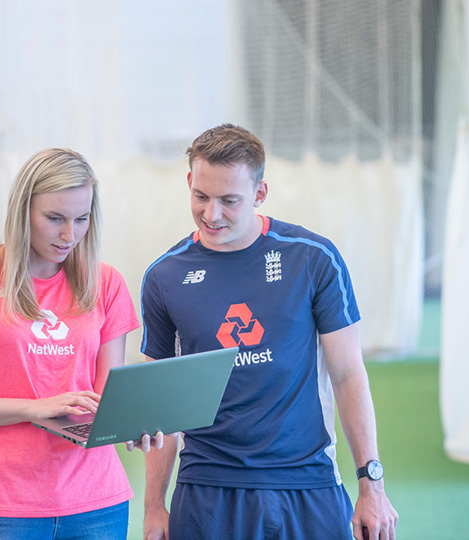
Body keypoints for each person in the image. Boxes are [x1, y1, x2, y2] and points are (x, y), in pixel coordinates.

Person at [137, 124, 399, 540]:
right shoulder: (164, 277)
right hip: (207, 488)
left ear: (260, 193)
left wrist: (372, 486)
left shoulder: (313, 259)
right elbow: (160, 405)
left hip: (307, 482)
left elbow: (348, 375)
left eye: (229, 200)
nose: (211, 214)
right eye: (201, 196)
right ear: (189, 182)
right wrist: (154, 506)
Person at [0, 148, 140, 540]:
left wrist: (134, 423)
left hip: (97, 502)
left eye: (82, 219)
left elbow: (105, 399)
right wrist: (32, 408)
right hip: (4, 505)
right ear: (23, 212)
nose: (70, 235)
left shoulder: (106, 284)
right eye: (55, 219)